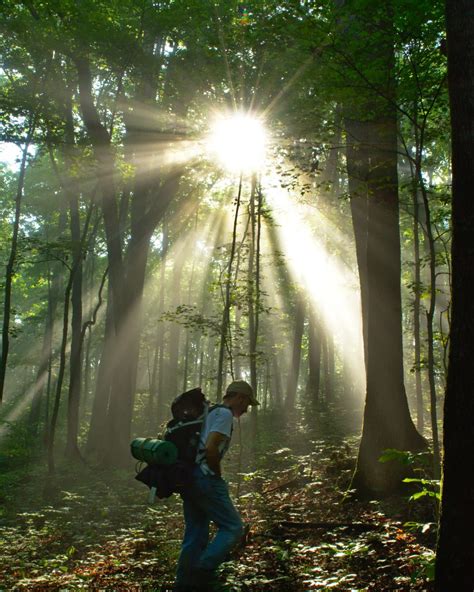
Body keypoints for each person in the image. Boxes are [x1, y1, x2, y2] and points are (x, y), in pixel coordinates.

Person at [173, 380, 259, 592]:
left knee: (196, 531)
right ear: (239, 397)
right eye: (247, 403)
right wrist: (216, 475)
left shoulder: (210, 412)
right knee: (233, 527)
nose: (247, 409)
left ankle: (184, 583)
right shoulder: (224, 415)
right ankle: (203, 571)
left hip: (189, 478)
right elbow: (211, 449)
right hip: (205, 478)